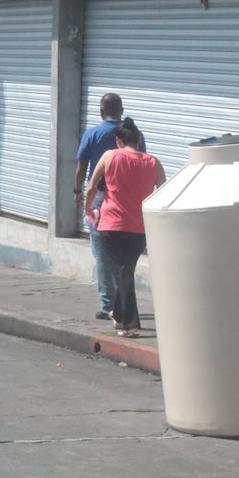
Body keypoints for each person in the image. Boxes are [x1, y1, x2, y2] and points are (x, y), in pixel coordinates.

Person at [83, 117, 164, 338]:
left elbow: (91, 187)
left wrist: (88, 209)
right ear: (138, 141)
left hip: (111, 226)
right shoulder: (153, 162)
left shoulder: (110, 156)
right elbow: (164, 193)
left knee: (122, 273)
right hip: (140, 229)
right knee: (125, 271)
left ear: (118, 140)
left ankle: (130, 325)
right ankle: (119, 316)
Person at [75, 93, 145, 320]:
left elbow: (82, 166)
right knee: (126, 256)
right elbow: (140, 162)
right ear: (122, 109)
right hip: (129, 200)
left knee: (103, 253)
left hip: (101, 197)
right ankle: (123, 305)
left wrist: (78, 192)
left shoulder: (93, 134)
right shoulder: (135, 135)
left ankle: (108, 305)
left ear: (100, 111)